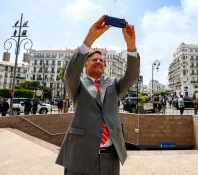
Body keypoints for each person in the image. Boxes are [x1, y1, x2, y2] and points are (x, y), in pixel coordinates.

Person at [56, 15, 140, 175]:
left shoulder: (113, 84)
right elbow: (70, 74)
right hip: (80, 156)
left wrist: (131, 46)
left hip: (110, 158)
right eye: (94, 59)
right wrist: (90, 38)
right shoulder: (77, 84)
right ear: (85, 64)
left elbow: (132, 77)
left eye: (102, 60)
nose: (99, 62)